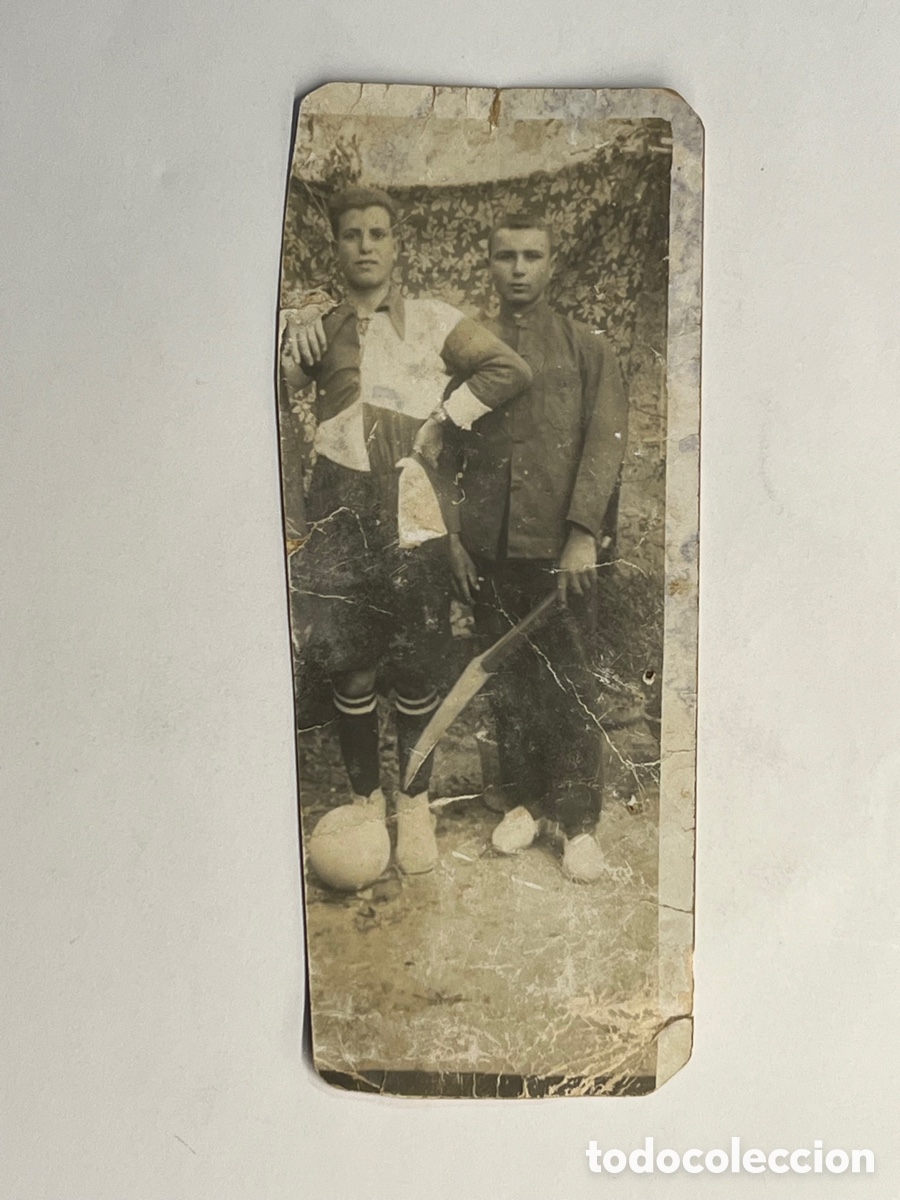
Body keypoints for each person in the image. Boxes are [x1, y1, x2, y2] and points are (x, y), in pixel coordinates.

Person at [280, 187, 532, 877]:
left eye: (377, 234)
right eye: (352, 235)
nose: (365, 245)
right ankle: (367, 803)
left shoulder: (430, 320)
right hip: (340, 508)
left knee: (417, 664)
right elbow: (269, 383)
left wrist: (447, 419)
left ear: (396, 246)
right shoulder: (318, 327)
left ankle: (414, 804)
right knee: (352, 664)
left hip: (413, 503)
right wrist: (295, 314)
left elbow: (509, 368)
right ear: (335, 248)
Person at [444, 213, 628, 883]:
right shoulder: (468, 350)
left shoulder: (587, 349)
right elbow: (446, 448)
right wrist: (457, 543)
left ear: (551, 264)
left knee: (570, 682)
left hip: (562, 552)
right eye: (505, 256)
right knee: (513, 685)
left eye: (532, 256)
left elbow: (605, 443)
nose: (519, 269)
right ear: (488, 264)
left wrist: (583, 533)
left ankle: (577, 822)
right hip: (491, 548)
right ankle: (524, 801)